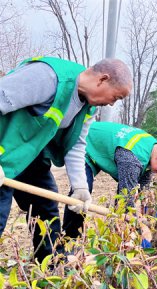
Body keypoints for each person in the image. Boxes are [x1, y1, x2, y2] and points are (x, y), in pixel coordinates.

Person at [0, 56, 132, 262]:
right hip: (4, 153)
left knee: (46, 208)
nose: (111, 104)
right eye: (115, 97)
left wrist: (80, 187)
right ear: (102, 79)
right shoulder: (48, 77)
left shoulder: (87, 108)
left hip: (30, 155)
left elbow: (76, 144)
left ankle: (51, 266)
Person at [62, 122, 157, 245]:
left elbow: (141, 190)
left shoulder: (153, 147)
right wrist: (140, 231)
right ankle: (69, 239)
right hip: (85, 142)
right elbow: (125, 199)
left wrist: (148, 215)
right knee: (82, 192)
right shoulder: (132, 159)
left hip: (100, 143)